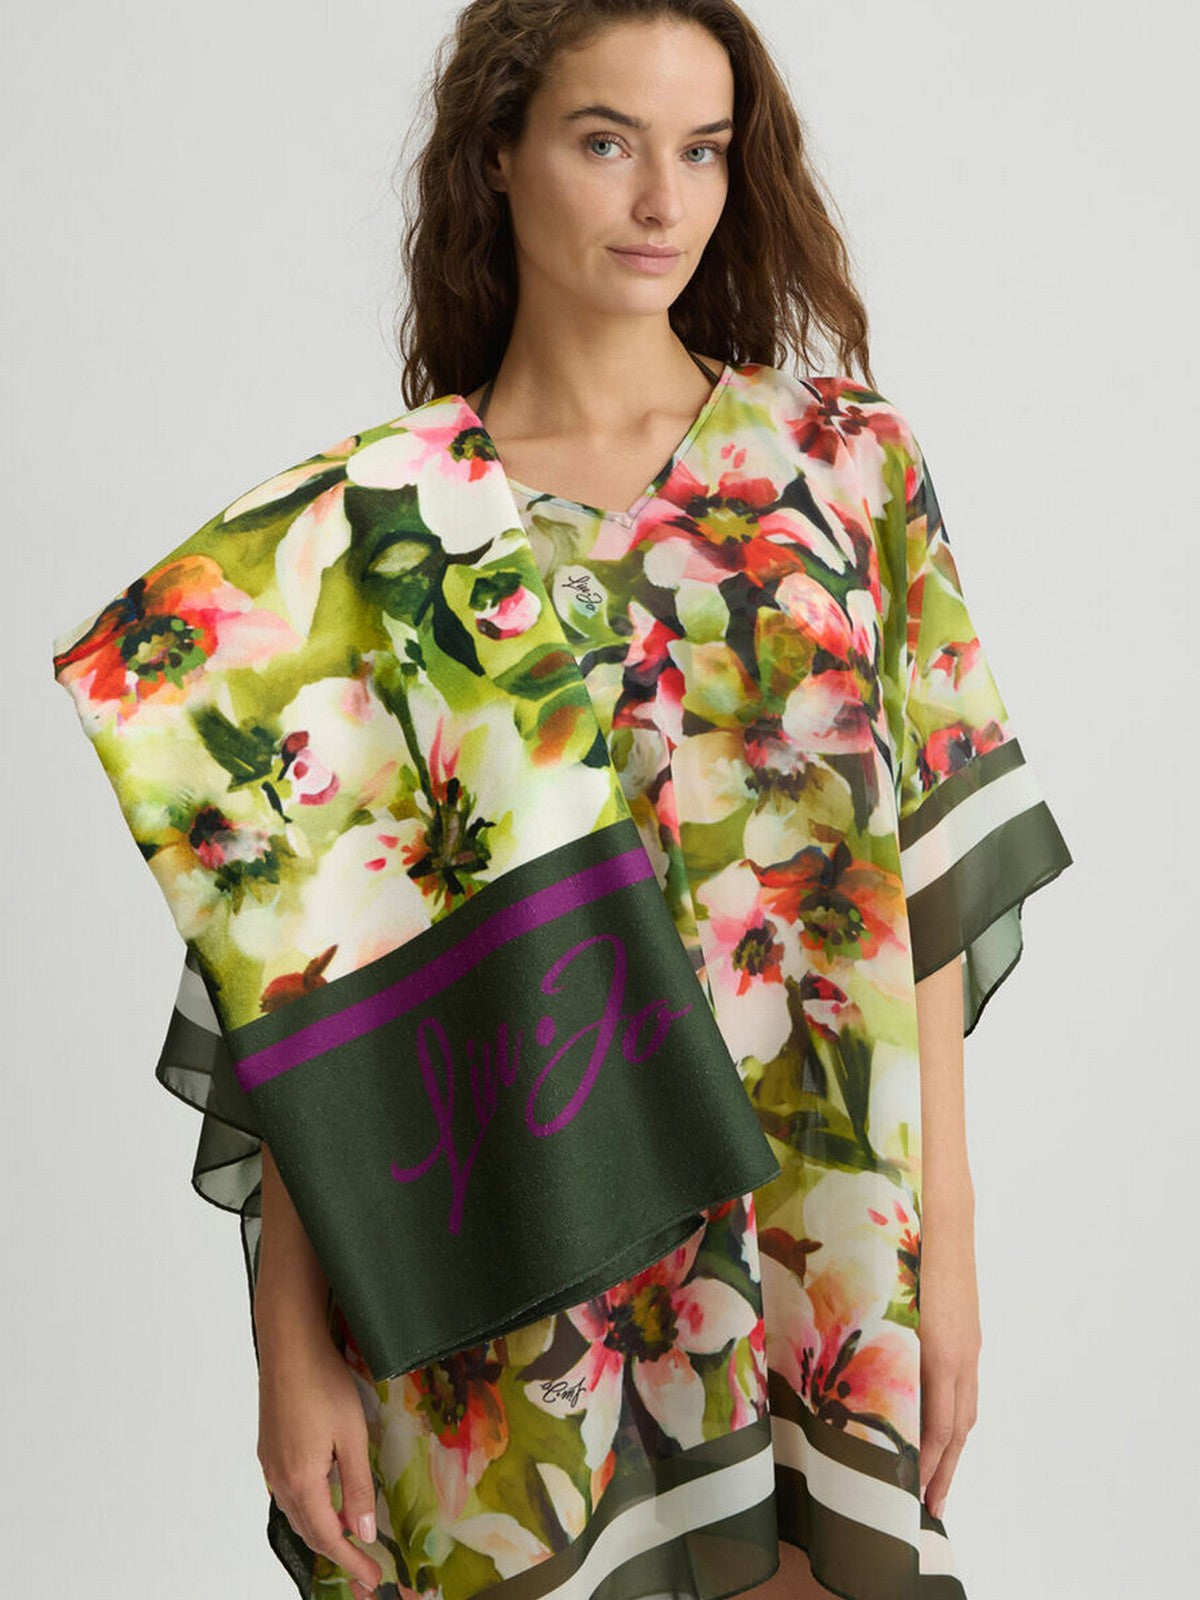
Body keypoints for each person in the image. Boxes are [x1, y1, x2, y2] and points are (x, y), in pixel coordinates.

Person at [50, 3, 1073, 1600]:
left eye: (703, 150)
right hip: (517, 1245)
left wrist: (946, 1255)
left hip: (820, 1228)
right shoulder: (378, 533)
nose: (663, 200)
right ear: (497, 155)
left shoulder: (846, 468)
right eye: (607, 142)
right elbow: (310, 979)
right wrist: (290, 1344)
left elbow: (922, 887)